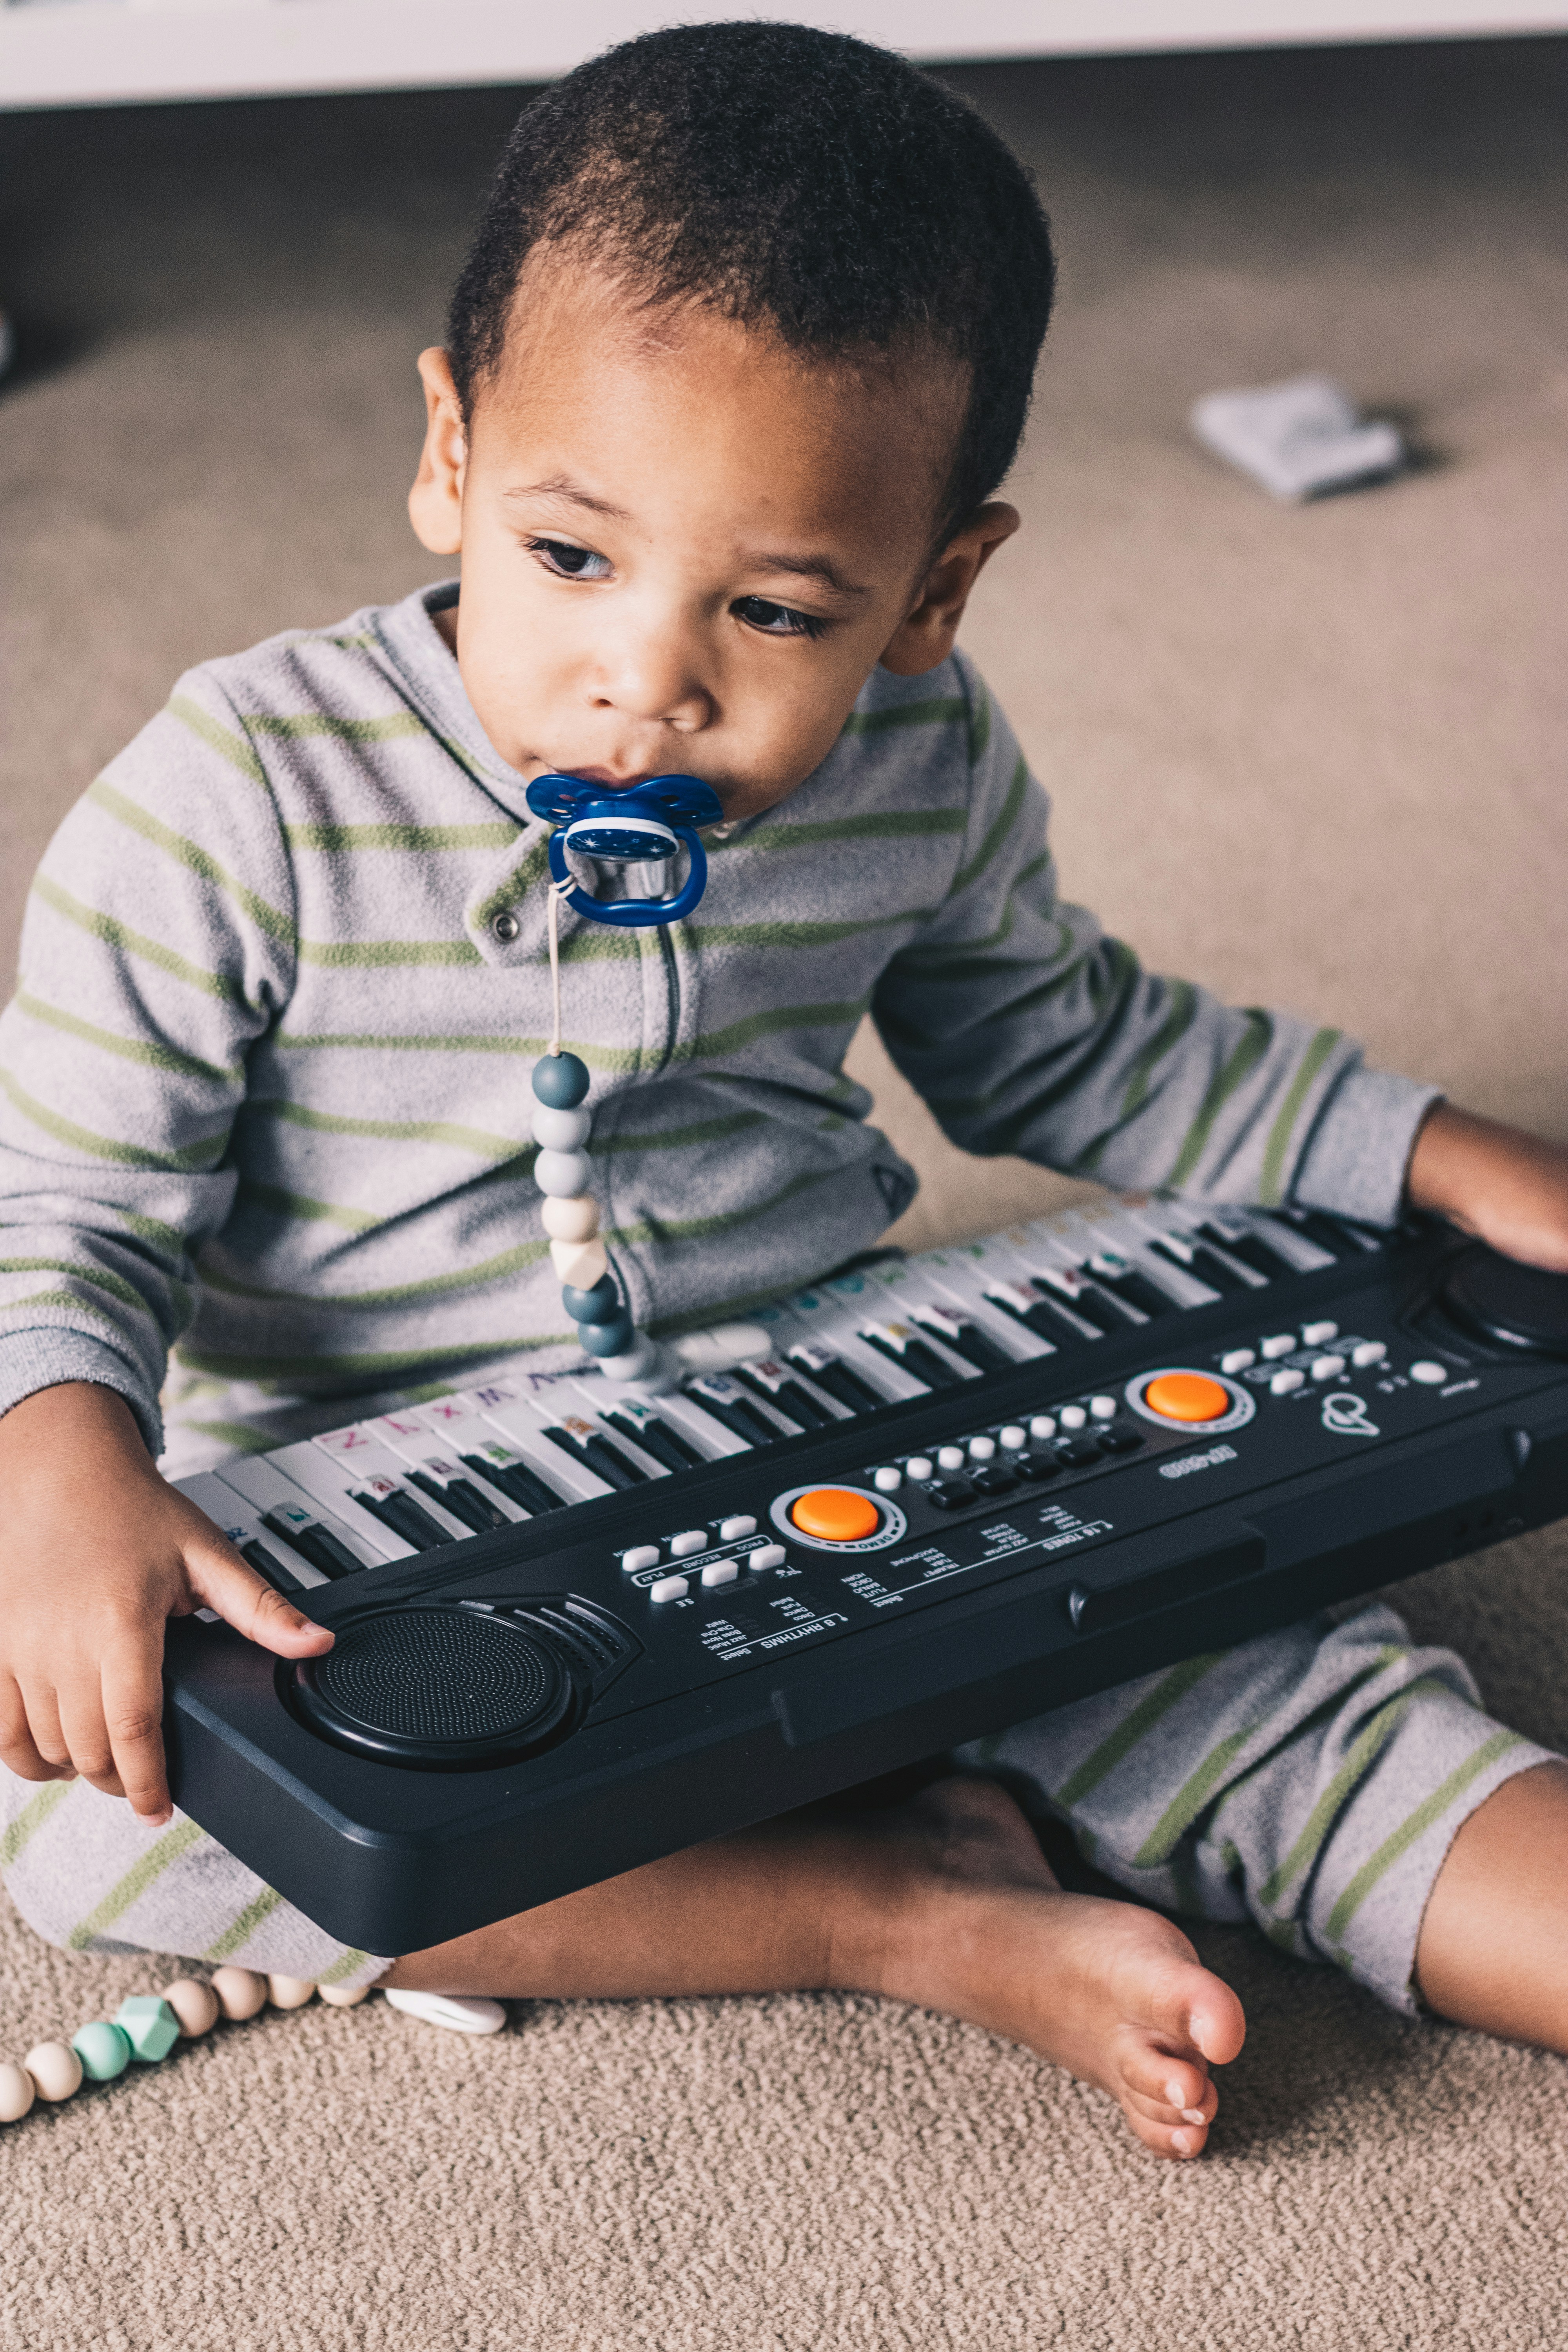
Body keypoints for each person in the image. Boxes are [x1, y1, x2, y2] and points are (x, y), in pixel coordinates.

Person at [2, 23, 1567, 2162]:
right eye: (573, 559)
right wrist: (62, 1459)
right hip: (381, 1528)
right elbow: (65, 1210)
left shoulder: (920, 758)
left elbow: (1071, 1038)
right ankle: (890, 1909)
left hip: (840, 1420)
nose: (649, 677)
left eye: (772, 606)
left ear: (932, 592)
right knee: (96, 1819)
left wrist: (1440, 1150)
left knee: (1231, 1649)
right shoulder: (236, 802)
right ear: (449, 453)